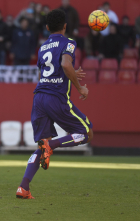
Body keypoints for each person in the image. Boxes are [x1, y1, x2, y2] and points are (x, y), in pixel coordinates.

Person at [16, 10, 92, 199]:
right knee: (87, 133)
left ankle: (23, 187)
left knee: (42, 145)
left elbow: (45, 74)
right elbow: (66, 64)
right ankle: (53, 145)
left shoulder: (42, 47)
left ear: (47, 27)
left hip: (39, 97)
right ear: (65, 26)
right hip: (56, 98)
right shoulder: (69, 43)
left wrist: (72, 72)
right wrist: (80, 87)